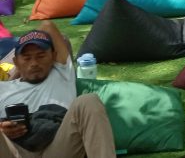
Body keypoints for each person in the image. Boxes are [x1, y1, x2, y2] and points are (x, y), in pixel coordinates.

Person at [0, 21, 116, 157]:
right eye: (26, 58)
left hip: (58, 147)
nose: (34, 63)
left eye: (41, 56)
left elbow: (47, 25)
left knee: (89, 101)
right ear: (16, 62)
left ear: (53, 56)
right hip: (15, 152)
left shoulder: (61, 73)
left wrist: (17, 69)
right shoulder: (3, 88)